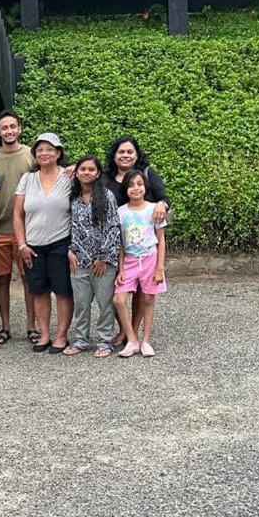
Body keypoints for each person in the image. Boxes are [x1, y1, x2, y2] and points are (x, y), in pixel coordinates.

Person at [102, 135, 171, 345]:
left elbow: (163, 197)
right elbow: (86, 176)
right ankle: (125, 330)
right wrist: (72, 168)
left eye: (130, 152)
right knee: (116, 290)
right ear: (114, 155)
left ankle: (131, 332)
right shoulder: (105, 177)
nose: (125, 155)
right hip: (116, 243)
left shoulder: (146, 174)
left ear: (137, 154)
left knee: (142, 293)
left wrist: (161, 204)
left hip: (143, 243)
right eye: (121, 152)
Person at [13, 132, 74, 354]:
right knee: (38, 290)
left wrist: (77, 166)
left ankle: (61, 335)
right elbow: (17, 215)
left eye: (50, 149)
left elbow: (93, 172)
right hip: (33, 245)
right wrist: (22, 244)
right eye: (40, 150)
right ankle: (45, 333)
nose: (44, 153)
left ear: (58, 153)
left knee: (63, 290)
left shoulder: (69, 177)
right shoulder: (27, 179)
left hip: (61, 242)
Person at [0, 110, 38, 344]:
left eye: (12, 126)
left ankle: (32, 326)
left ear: (19, 129)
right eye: (4, 128)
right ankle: (5, 327)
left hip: (27, 230)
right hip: (1, 229)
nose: (9, 131)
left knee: (29, 279)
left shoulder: (32, 155)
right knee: (3, 279)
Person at [63, 155, 120, 357]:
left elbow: (113, 227)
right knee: (81, 303)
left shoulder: (107, 196)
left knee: (105, 303)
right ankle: (81, 339)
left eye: (91, 169)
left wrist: (103, 257)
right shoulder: (73, 198)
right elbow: (69, 227)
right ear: (77, 173)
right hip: (79, 260)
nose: (86, 172)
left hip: (102, 262)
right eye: (82, 169)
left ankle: (105, 341)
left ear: (98, 174)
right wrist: (70, 250)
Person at [114, 168, 167, 358]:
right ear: (125, 190)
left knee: (148, 299)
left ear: (145, 187)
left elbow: (161, 240)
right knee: (118, 300)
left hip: (150, 258)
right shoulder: (120, 212)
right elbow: (120, 243)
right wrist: (120, 269)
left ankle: (146, 340)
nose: (135, 188)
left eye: (139, 184)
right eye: (130, 185)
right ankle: (132, 339)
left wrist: (160, 268)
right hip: (129, 260)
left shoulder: (153, 209)